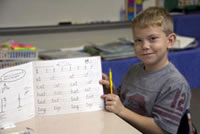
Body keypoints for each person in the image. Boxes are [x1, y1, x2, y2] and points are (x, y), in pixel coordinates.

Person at [99, 7, 191, 134]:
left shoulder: (175, 84)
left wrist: (121, 111)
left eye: (153, 38)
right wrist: (111, 90)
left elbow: (163, 130)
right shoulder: (133, 70)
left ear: (170, 41)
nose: (145, 46)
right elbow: (124, 99)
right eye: (138, 40)